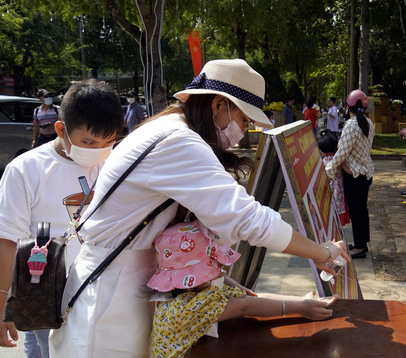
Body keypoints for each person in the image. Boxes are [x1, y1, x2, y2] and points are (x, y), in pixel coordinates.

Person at [48, 59, 348, 357]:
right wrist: (323, 253)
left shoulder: (168, 128)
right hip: (111, 296)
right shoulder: (178, 141)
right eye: (244, 120)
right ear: (218, 105)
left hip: (124, 282)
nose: (243, 131)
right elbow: (248, 219)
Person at [0, 80, 124, 358]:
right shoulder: (26, 170)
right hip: (47, 296)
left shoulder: (115, 163)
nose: (99, 150)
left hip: (103, 295)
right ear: (61, 129)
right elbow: (4, 239)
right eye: (89, 142)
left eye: (109, 142)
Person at [148, 218, 337, 357]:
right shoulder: (190, 307)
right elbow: (245, 305)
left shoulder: (186, 293)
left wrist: (302, 300)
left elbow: (250, 296)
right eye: (214, 264)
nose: (220, 269)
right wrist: (301, 308)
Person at [325, 89, 375, 259]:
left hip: (353, 175)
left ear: (348, 106)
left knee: (356, 211)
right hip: (366, 173)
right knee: (362, 209)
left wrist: (329, 170)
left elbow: (341, 153)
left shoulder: (352, 125)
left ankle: (360, 248)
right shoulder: (369, 123)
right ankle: (362, 244)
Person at [318, 130, 349, 226]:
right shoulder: (338, 160)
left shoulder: (323, 162)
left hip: (328, 193)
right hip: (339, 192)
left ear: (322, 150)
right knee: (338, 220)